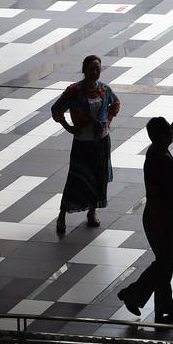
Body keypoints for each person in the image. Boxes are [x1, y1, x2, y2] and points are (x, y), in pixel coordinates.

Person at [117, 99, 173, 324]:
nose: (171, 133)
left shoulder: (159, 148)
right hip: (160, 217)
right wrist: (158, 223)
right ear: (160, 135)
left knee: (164, 263)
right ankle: (134, 293)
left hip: (166, 215)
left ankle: (163, 306)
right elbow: (153, 195)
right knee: (164, 263)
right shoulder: (156, 159)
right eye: (167, 131)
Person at [51, 55, 121, 234]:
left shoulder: (104, 89)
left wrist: (108, 120)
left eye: (98, 68)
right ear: (84, 70)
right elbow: (57, 109)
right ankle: (62, 215)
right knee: (76, 179)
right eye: (92, 69)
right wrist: (69, 127)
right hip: (82, 143)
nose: (95, 72)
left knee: (99, 178)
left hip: (101, 142)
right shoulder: (74, 91)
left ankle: (92, 211)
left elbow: (116, 103)